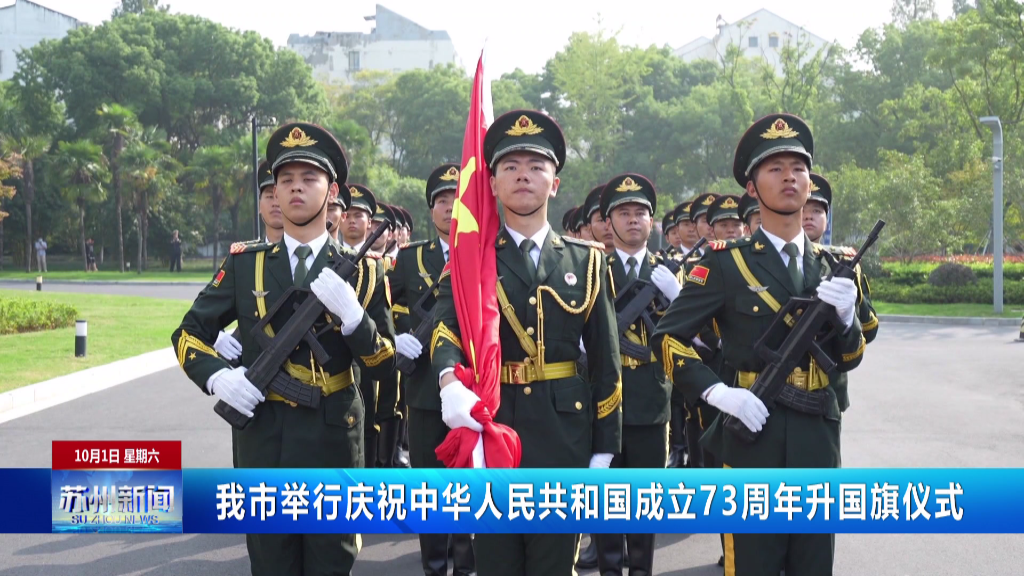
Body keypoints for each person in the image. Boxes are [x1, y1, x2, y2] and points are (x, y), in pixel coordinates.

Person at [171, 122, 396, 576]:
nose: (295, 188)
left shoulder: (365, 272)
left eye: (309, 179)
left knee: (332, 562)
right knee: (271, 562)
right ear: (273, 191)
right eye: (285, 180)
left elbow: (385, 364)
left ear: (332, 191)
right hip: (264, 435)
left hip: (334, 437)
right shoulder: (245, 265)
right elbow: (188, 333)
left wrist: (355, 319)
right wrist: (218, 377)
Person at [654, 113, 868, 576]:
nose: (790, 177)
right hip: (752, 436)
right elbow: (667, 337)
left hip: (817, 437)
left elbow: (849, 357)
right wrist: (717, 393)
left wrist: (848, 317)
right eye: (776, 168)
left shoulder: (833, 267)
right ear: (752, 188)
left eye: (798, 168)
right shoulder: (726, 265)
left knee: (814, 566)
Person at [431, 110, 622, 576]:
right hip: (493, 430)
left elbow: (606, 362)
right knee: (495, 563)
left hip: (564, 438)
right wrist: (448, 380)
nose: (523, 176)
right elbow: (445, 328)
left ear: (554, 184)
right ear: (491, 183)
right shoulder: (472, 257)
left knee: (554, 565)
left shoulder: (587, 261)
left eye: (536, 166)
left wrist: (604, 449)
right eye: (510, 166)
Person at [390, 162, 475, 576]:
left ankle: (467, 563)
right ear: (431, 210)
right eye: (442, 200)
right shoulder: (410, 259)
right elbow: (381, 306)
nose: (449, 207)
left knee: (470, 483)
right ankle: (434, 565)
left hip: (474, 387)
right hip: (425, 389)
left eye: (457, 199)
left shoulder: (484, 253)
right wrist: (395, 336)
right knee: (428, 485)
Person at [593, 174, 680, 576]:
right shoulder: (593, 269)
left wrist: (678, 297)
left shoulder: (670, 273)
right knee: (605, 503)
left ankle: (641, 570)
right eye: (623, 213)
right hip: (602, 400)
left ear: (652, 222)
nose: (632, 220)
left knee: (645, 502)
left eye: (640, 213)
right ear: (608, 222)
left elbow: (701, 339)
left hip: (650, 400)